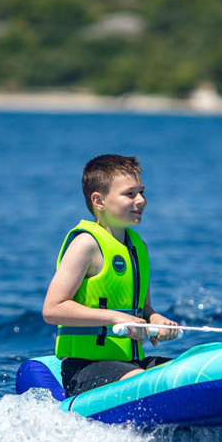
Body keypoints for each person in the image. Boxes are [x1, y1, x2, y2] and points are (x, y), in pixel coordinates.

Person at [43, 154, 179, 396]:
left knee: (180, 373)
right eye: (130, 194)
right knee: (145, 383)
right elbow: (52, 309)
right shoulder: (86, 245)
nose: (141, 200)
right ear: (99, 201)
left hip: (129, 363)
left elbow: (144, 308)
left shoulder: (139, 248)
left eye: (142, 192)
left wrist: (156, 319)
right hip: (84, 367)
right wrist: (115, 318)